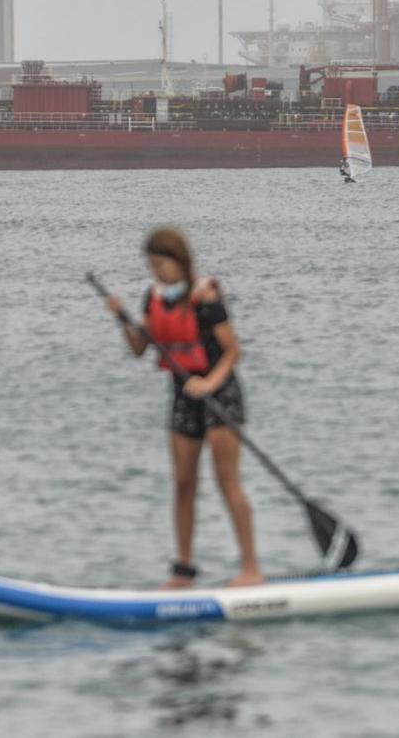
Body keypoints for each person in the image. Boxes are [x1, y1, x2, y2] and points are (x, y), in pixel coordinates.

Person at [103, 227, 263, 589]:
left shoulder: (207, 298)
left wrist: (209, 383)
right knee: (183, 483)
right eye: (151, 265)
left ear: (180, 262)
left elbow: (234, 351)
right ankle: (183, 571)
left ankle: (250, 568)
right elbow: (139, 348)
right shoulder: (154, 298)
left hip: (220, 395)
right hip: (182, 396)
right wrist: (121, 318)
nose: (156, 272)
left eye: (160, 264)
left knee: (227, 482)